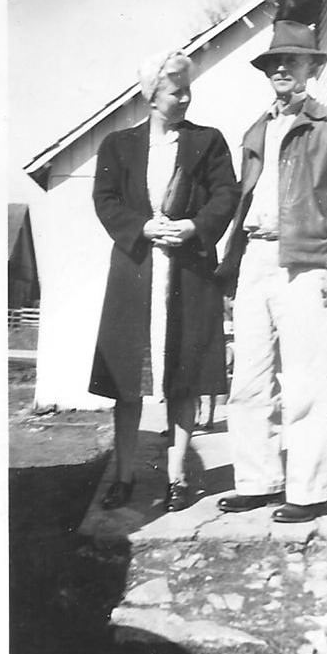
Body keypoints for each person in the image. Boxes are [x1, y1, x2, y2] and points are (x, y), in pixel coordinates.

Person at [215, 20, 327, 523]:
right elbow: (244, 201)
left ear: (310, 68)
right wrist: (231, 264)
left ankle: (308, 491)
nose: (281, 68)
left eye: (292, 60)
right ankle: (256, 481)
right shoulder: (256, 129)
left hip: (307, 262)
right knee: (248, 381)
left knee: (304, 383)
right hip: (255, 258)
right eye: (273, 62)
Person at [89, 50, 239, 511]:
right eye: (177, 92)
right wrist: (142, 227)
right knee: (127, 379)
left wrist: (194, 226)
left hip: (188, 275)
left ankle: (177, 477)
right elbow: (105, 199)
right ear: (152, 96)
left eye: (188, 89)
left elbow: (226, 194)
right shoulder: (118, 145)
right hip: (136, 274)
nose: (186, 98)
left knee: (184, 377)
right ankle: (124, 476)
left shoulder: (207, 142)